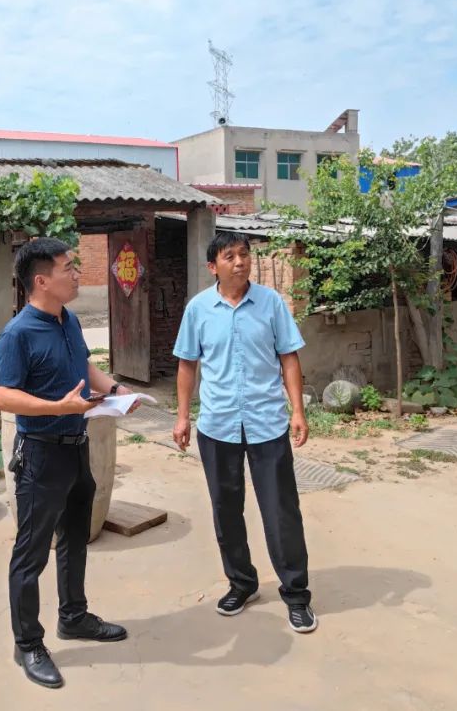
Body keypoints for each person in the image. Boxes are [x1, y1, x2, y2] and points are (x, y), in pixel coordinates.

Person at [0, 237, 131, 689]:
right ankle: (27, 642)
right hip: (41, 456)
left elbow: (85, 369)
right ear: (40, 280)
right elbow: (2, 396)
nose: (76, 274)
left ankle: (74, 616)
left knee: (75, 537)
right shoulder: (17, 334)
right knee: (30, 555)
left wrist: (114, 390)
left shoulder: (67, 320)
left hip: (76, 448)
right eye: (68, 267)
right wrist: (59, 408)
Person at [172, 232, 318, 633]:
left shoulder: (271, 303)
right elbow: (187, 365)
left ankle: (296, 594)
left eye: (244, 254)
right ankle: (242, 583)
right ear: (212, 266)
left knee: (281, 511)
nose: (240, 262)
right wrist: (183, 417)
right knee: (226, 509)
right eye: (230, 256)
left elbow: (289, 357)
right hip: (217, 425)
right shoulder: (199, 309)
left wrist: (298, 410)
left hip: (266, 423)